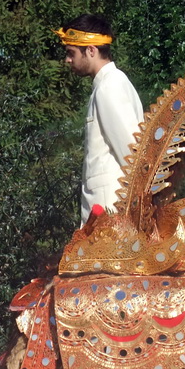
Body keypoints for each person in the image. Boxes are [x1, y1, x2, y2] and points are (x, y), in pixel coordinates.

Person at [55, 14, 144, 224]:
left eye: (71, 53)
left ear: (91, 50)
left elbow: (132, 154)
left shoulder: (109, 87)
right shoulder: (107, 85)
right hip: (106, 210)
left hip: (110, 212)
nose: (67, 60)